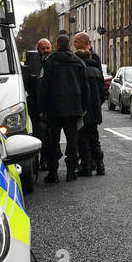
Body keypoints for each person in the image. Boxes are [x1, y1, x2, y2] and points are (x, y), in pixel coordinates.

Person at [38, 34, 89, 183]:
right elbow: (85, 87)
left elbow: (43, 86)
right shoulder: (78, 62)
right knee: (72, 140)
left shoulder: (49, 61)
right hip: (73, 108)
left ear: (57, 45)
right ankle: (71, 171)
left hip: (54, 108)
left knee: (53, 140)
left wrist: (41, 108)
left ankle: (53, 173)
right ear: (69, 45)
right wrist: (84, 107)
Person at [72, 33, 106, 176]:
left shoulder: (81, 69)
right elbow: (102, 90)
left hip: (84, 109)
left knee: (83, 138)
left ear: (83, 42)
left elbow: (79, 90)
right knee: (94, 137)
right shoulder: (96, 70)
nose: (74, 44)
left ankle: (86, 166)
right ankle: (99, 165)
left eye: (76, 42)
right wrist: (98, 103)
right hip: (95, 109)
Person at [32, 38, 54, 173]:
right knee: (36, 136)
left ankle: (45, 161)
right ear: (37, 49)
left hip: (49, 106)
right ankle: (36, 161)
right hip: (35, 105)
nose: (45, 50)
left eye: (47, 48)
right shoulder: (34, 63)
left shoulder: (53, 62)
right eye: (42, 48)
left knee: (48, 137)